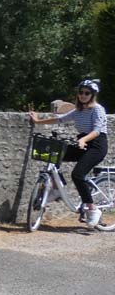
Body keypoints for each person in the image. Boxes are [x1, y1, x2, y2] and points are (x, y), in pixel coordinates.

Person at [30, 79, 108, 227]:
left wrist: (84, 139)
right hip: (83, 143)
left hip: (97, 146)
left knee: (77, 174)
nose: (83, 95)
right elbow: (60, 119)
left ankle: (93, 209)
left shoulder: (97, 109)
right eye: (81, 92)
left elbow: (97, 130)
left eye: (87, 93)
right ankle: (55, 189)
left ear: (92, 95)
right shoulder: (78, 110)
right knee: (55, 154)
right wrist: (38, 121)